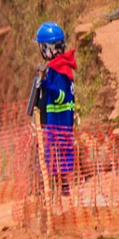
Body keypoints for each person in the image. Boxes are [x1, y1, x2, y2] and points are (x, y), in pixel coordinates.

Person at [28, 21, 76, 195]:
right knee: (49, 155)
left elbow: (61, 96)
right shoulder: (55, 68)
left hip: (59, 122)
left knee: (52, 155)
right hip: (53, 120)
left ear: (48, 48)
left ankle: (55, 189)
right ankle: (52, 188)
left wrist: (46, 84)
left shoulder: (61, 69)